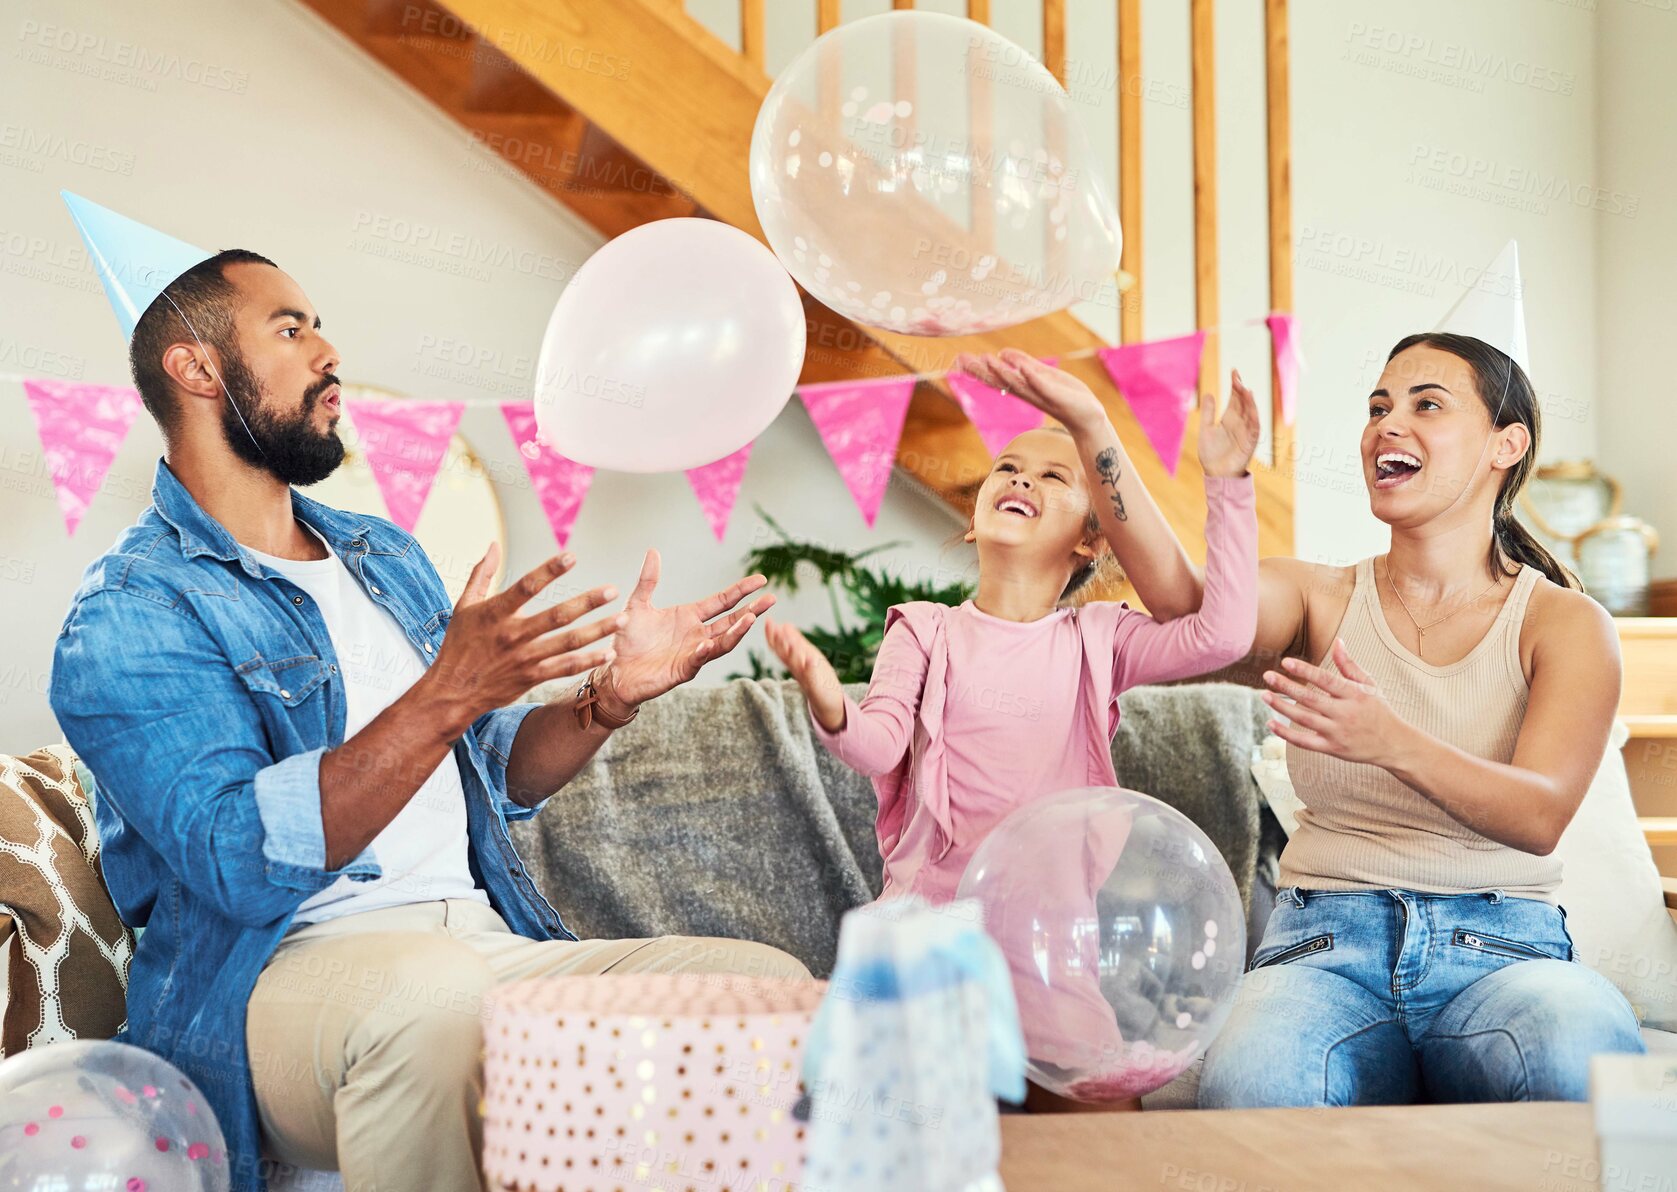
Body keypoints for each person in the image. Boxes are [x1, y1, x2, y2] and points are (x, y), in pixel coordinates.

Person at [49, 202, 808, 1192]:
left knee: (766, 996)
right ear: (196, 370)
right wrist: (446, 693)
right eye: (291, 326)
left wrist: (607, 699)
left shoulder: (383, 554)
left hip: (481, 948)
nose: (328, 350)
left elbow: (493, 768)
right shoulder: (128, 612)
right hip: (273, 986)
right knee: (434, 1001)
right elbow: (235, 859)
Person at [764, 350, 1260, 1105]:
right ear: (973, 515)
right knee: (875, 1132)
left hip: (1050, 947)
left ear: (1091, 541)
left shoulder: (1098, 637)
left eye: (1054, 477)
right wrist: (828, 700)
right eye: (1006, 467)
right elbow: (878, 744)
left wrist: (1226, 482)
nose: (1021, 478)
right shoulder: (923, 630)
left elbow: (1221, 636)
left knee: (1096, 1145)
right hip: (926, 935)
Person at [1198, 330, 1645, 1108]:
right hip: (1322, 951)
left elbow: (1538, 815)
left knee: (1580, 1054)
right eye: (1377, 407)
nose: (1385, 426)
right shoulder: (1318, 596)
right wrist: (1217, 481)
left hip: (1504, 957)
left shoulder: (1564, 623)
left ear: (1506, 444)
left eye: (1425, 404)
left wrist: (1391, 742)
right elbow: (1189, 613)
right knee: (1255, 1081)